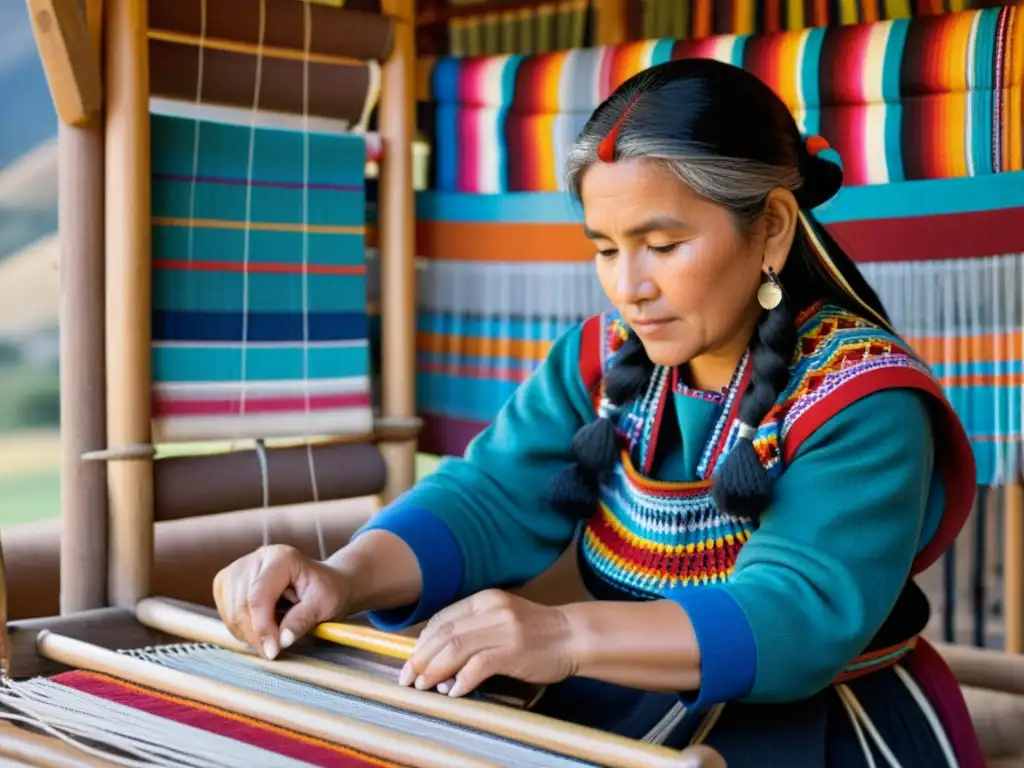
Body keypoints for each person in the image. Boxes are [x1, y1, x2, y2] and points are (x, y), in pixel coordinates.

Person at [212, 58, 985, 766]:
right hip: (625, 703)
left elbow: (793, 618)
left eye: (662, 243)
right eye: (607, 248)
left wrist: (561, 634)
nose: (628, 286)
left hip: (820, 734)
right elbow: (486, 499)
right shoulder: (600, 360)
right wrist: (340, 577)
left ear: (773, 228)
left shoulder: (864, 399)